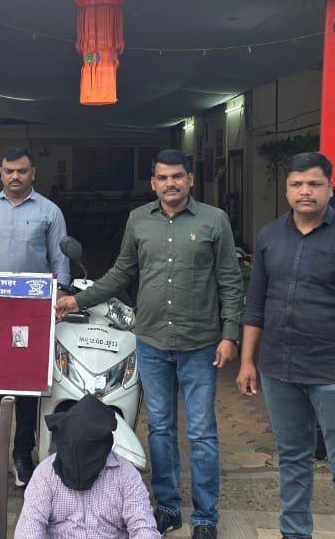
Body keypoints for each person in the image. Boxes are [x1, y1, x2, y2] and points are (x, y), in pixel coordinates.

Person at [56, 149, 244, 539]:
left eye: (177, 176)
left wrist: (230, 335)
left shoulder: (214, 220)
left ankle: (205, 517)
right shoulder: (139, 219)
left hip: (200, 343)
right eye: (163, 177)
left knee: (202, 432)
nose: (170, 183)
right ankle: (168, 507)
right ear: (154, 183)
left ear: (190, 179)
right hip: (153, 341)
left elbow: (230, 281)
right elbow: (121, 272)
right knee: (159, 428)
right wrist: (78, 300)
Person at [236, 152, 335, 539]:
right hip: (279, 372)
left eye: (314, 184)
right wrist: (247, 361)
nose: (305, 191)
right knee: (292, 459)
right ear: (286, 189)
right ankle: (294, 533)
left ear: (330, 188)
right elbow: (256, 303)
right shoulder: (270, 236)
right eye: (296, 184)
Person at [0, 147, 71, 486]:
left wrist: (61, 297)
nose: (15, 176)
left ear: (33, 173)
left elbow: (60, 263)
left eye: (22, 171)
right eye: (9, 171)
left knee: (26, 387)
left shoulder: (50, 212)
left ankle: (22, 455)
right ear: (0, 173)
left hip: (31, 312)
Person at [14, 394, 159, 539]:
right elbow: (30, 525)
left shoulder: (126, 475)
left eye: (87, 451)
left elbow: (144, 528)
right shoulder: (46, 473)